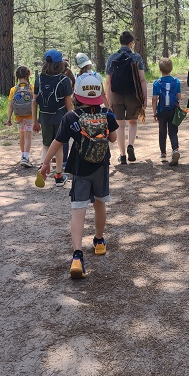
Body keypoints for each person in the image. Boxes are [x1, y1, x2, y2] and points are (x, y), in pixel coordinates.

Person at [39, 73, 118, 279]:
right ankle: (99, 241)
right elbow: (114, 138)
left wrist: (46, 163)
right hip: (101, 168)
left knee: (78, 210)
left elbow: (57, 142)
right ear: (99, 94)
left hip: (80, 170)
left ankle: (77, 256)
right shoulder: (107, 115)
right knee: (99, 204)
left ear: (77, 95)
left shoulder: (71, 118)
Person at [32, 49, 73, 186]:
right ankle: (59, 176)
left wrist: (35, 121)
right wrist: (71, 119)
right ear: (60, 64)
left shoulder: (39, 79)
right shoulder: (64, 80)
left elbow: (34, 101)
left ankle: (42, 169)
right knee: (59, 146)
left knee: (46, 145)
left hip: (44, 117)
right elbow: (68, 103)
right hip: (60, 117)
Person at [105, 31, 147, 164]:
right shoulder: (136, 57)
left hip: (116, 94)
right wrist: (144, 98)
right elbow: (142, 80)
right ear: (131, 43)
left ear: (120, 42)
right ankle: (130, 146)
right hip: (132, 94)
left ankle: (122, 155)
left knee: (120, 125)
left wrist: (108, 98)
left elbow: (108, 81)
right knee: (132, 122)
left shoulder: (112, 58)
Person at [151, 57, 181, 165]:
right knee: (173, 132)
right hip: (173, 110)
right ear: (171, 69)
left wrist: (154, 112)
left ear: (160, 70)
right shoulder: (176, 81)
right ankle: (175, 149)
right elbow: (179, 96)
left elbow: (154, 99)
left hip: (162, 111)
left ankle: (163, 154)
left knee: (162, 131)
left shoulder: (157, 83)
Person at [6, 66, 35, 167]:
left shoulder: (13, 89)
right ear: (28, 75)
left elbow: (10, 105)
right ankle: (25, 157)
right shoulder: (32, 88)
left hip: (19, 117)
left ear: (17, 76)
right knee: (28, 137)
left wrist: (9, 119)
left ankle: (23, 155)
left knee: (21, 136)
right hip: (30, 116)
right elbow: (35, 103)